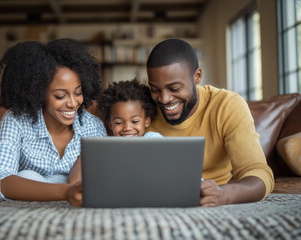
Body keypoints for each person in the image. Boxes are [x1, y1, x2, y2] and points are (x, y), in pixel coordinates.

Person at [146, 38, 274, 207]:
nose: (164, 99)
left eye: (175, 88)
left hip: (214, 199)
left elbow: (259, 174)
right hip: (155, 198)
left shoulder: (227, 105)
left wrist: (224, 195)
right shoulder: (141, 106)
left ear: (197, 76)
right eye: (155, 90)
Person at [0, 38, 107, 207]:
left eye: (78, 92)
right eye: (60, 96)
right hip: (18, 177)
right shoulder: (17, 120)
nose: (72, 103)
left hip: (61, 187)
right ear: (38, 92)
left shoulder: (93, 127)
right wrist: (65, 192)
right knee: (27, 175)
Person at [97, 79, 162, 137]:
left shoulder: (152, 139)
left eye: (135, 121)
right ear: (110, 124)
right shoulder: (109, 146)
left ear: (146, 121)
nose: (127, 128)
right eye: (118, 123)